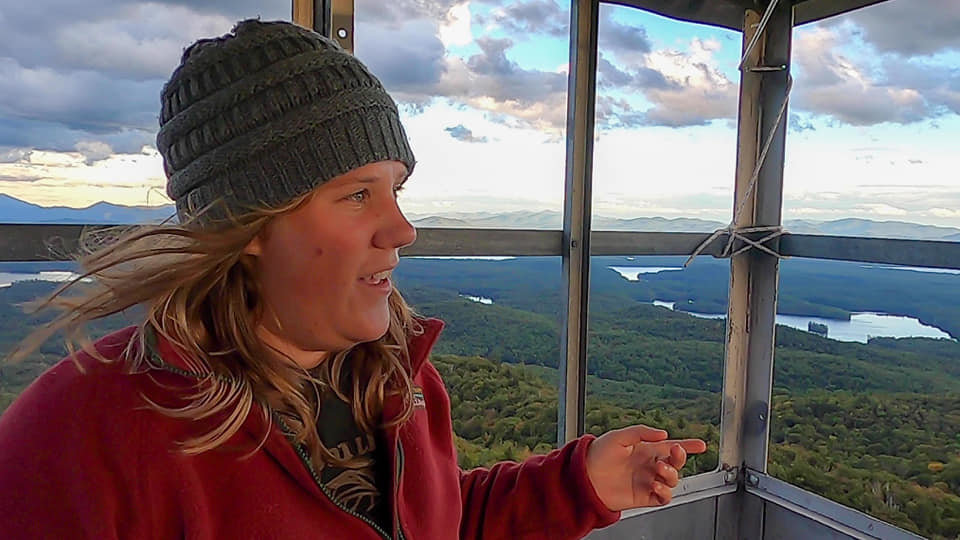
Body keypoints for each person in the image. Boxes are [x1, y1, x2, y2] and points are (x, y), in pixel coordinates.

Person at [0, 19, 706, 539]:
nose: (402, 230)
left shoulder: (402, 378)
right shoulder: (79, 438)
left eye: (397, 190)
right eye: (358, 195)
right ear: (247, 224)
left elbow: (434, 524)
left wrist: (573, 483)